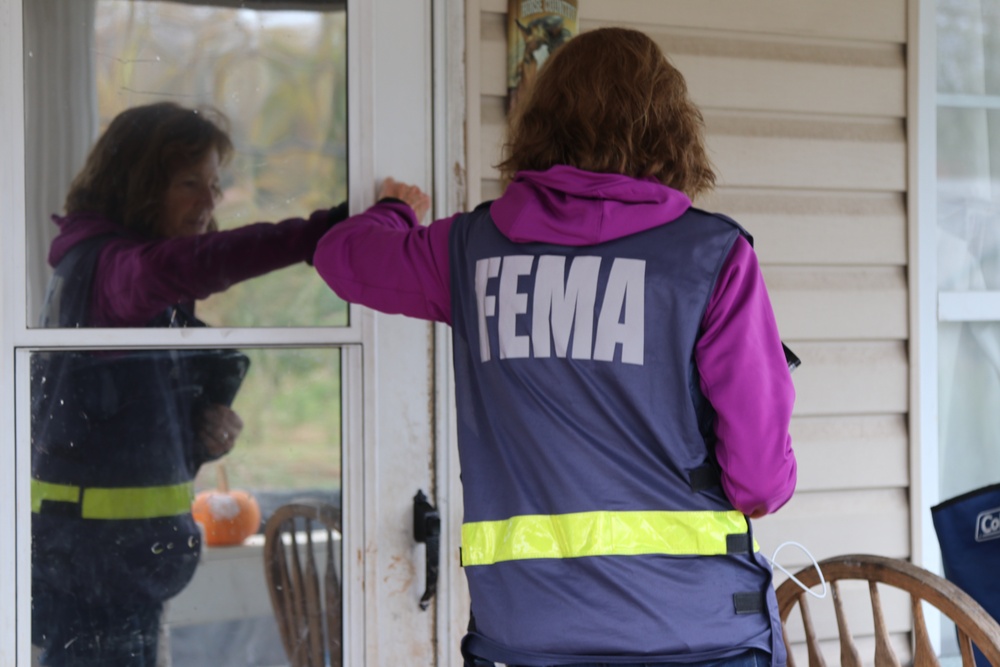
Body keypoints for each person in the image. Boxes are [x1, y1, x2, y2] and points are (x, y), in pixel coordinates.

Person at [315, 27, 796, 667]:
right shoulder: (711, 258)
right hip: (693, 632)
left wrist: (395, 214)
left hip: (523, 635)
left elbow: (342, 258)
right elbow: (760, 484)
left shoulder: (470, 250)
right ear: (669, 131)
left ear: (540, 129)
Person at [29, 101, 427, 667]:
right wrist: (329, 229)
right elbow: (198, 262)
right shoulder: (116, 271)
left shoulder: (111, 274)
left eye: (214, 184)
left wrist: (197, 430)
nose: (210, 201)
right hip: (97, 565)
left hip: (116, 560)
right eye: (190, 182)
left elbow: (111, 412)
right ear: (137, 185)